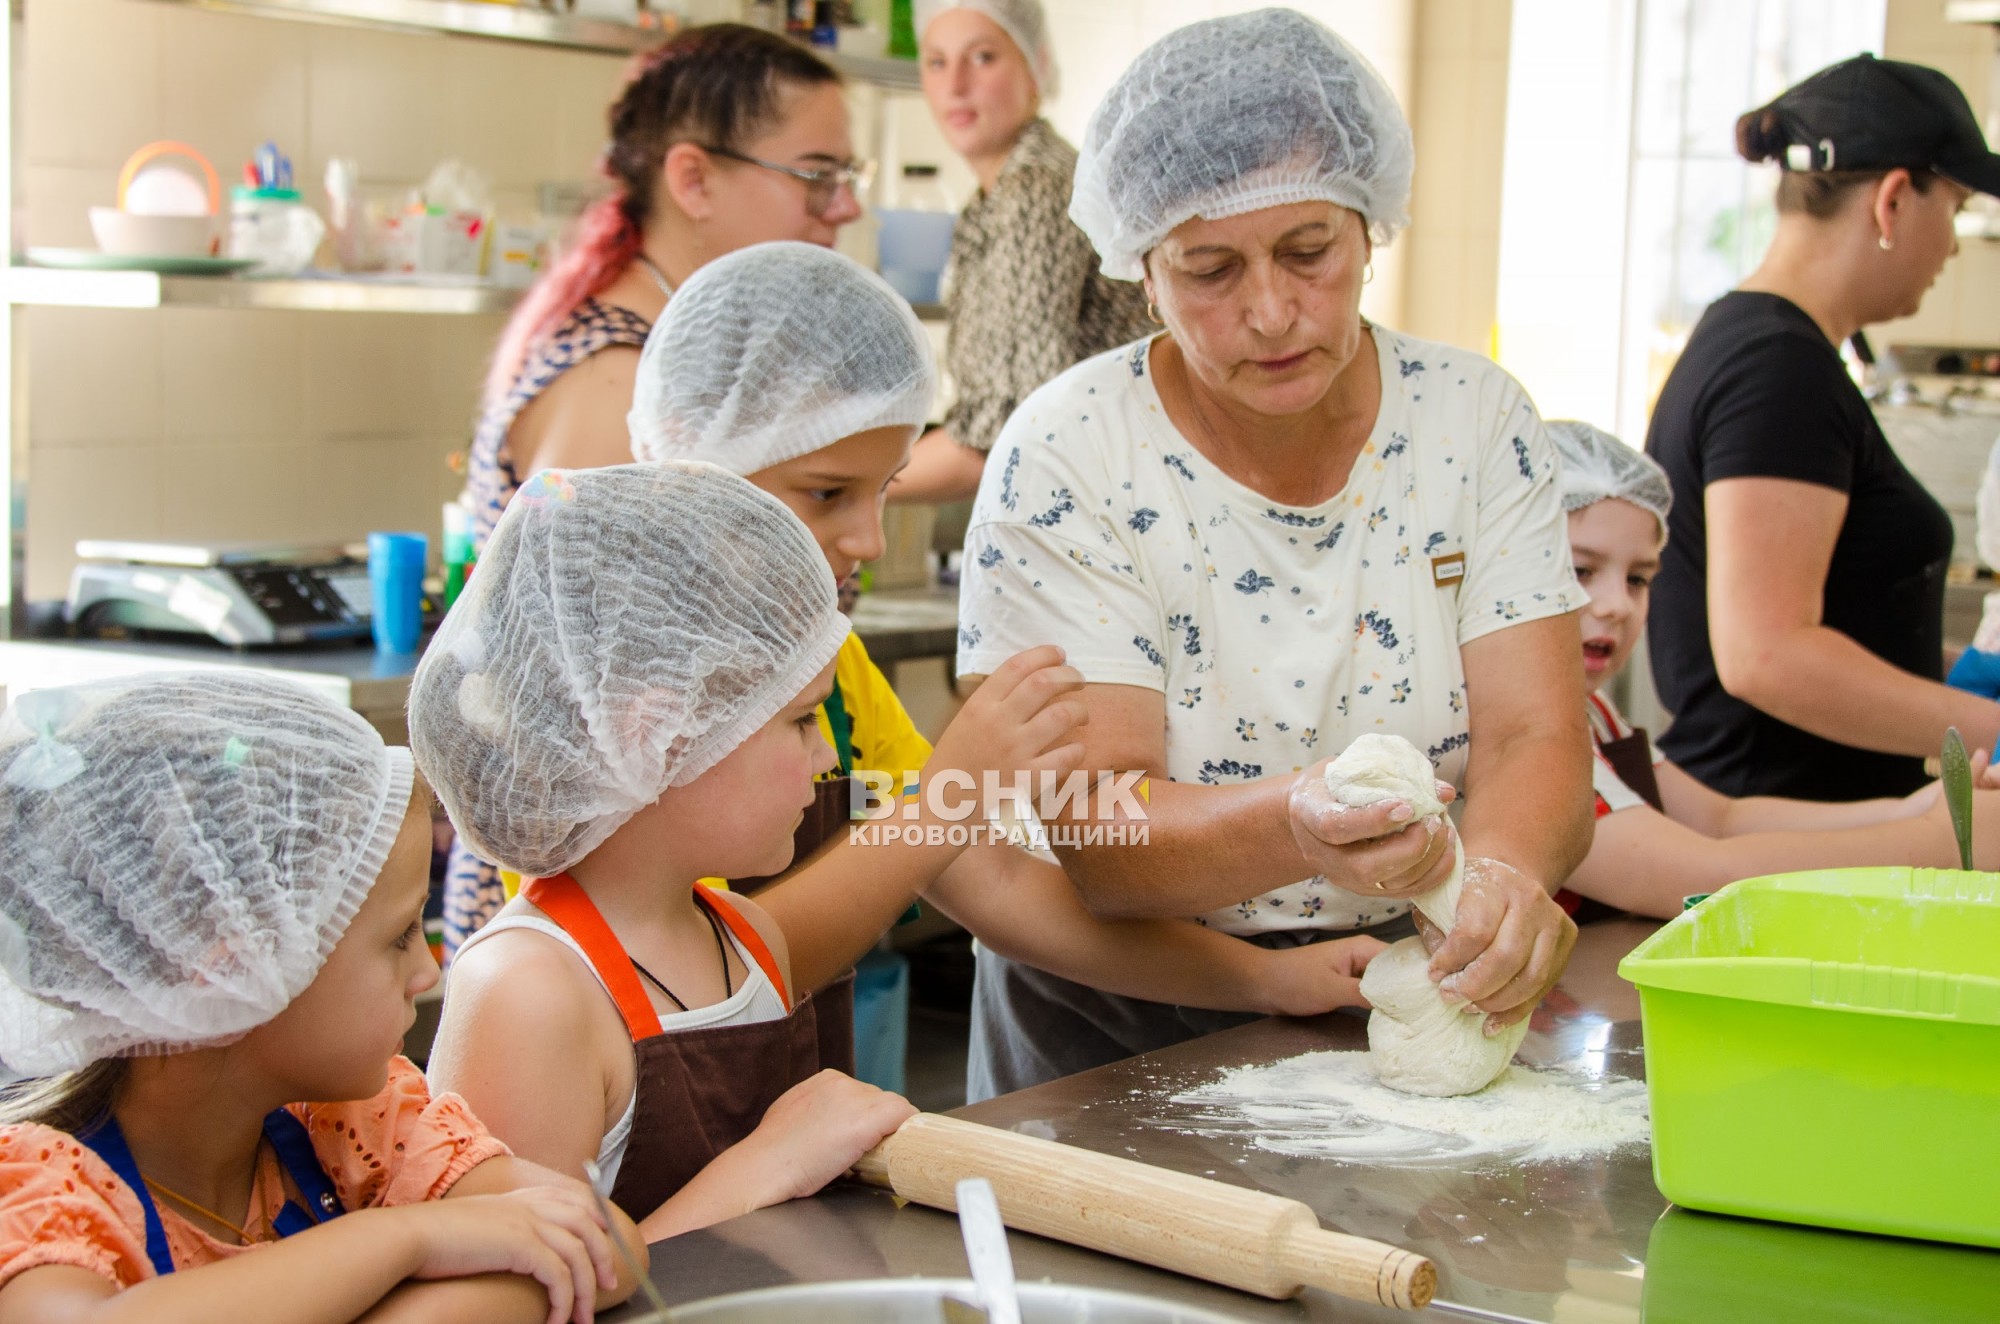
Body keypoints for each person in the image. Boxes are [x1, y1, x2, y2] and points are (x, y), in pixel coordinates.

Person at [419, 461, 1375, 1239]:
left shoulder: (737, 937)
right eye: (798, 722)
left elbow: (939, 864)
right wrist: (769, 1165)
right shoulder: (530, 993)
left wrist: (1276, 982)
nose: (828, 753)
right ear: (661, 734)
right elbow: (514, 1299)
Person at [954, 10, 1594, 1097]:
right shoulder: (1069, 453)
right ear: (1140, 272)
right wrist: (1299, 822)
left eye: (1309, 253)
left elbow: (1535, 730)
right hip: (1115, 1019)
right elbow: (1103, 830)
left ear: (1368, 226)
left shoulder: (1473, 421)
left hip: (1405, 975)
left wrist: (1499, 881)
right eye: (1209, 269)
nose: (1270, 311)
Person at [0, 673, 643, 1324]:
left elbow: (606, 1243)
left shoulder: (348, 1124)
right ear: (234, 973)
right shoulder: (43, 1191)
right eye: (397, 938)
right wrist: (403, 1239)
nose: (427, 971)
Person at [444, 23, 869, 953]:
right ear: (693, 178)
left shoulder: (673, 357)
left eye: (848, 178)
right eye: (814, 173)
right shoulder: (613, 380)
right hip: (591, 916)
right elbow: (618, 684)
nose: (840, 208)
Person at [1647, 53, 2000, 803]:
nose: (1954, 245)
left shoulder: (1762, 348)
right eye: (1957, 207)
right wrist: (1987, 728)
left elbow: (1832, 623)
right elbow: (1767, 656)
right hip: (1776, 829)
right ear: (1895, 200)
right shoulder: (1777, 371)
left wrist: (1952, 671)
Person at [1548, 422, 2000, 918]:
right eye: (1581, 570)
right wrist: (1939, 845)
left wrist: (1918, 809)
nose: (1617, 605)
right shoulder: (1520, 736)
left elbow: (1722, 819)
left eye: (1638, 579)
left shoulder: (1590, 712)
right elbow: (1692, 876)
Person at [888, 0, 1151, 504]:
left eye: (982, 57)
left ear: (1037, 68)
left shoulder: (1036, 188)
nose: (955, 85)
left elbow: (1006, 434)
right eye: (936, 62)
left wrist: (835, 492)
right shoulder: (999, 192)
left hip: (1108, 503)